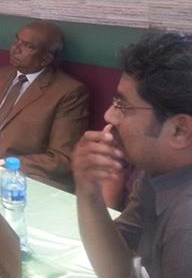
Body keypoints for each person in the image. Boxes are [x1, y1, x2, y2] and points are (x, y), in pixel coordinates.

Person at [72, 32, 192, 278]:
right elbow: (120, 269)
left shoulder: (186, 226)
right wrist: (89, 193)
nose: (109, 115)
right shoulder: (159, 170)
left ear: (180, 130)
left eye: (122, 106)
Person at [0, 21, 89, 191]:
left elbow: (61, 158)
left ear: (46, 59)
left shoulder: (68, 92)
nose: (15, 48)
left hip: (20, 175)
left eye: (27, 46)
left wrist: (3, 164)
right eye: (17, 40)